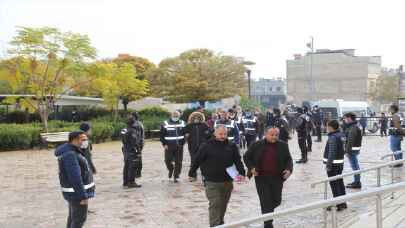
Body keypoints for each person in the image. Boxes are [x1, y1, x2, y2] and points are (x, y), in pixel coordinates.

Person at [189, 125, 246, 227]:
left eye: (225, 134)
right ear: (215, 133)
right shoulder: (206, 145)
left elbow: (237, 160)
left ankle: (220, 223)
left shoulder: (231, 145)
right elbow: (197, 160)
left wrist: (242, 173)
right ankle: (215, 225)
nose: (223, 136)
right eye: (220, 134)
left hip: (227, 181)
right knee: (215, 204)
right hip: (211, 181)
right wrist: (191, 173)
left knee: (223, 204)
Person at [243, 127, 293, 228]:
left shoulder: (283, 145)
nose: (274, 137)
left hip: (277, 177)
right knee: (265, 200)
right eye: (272, 135)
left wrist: (289, 169)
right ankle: (268, 223)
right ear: (265, 134)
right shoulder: (257, 144)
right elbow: (246, 157)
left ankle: (267, 214)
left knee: (277, 200)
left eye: (276, 135)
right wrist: (252, 168)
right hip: (261, 177)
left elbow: (288, 159)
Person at [55, 131, 95, 228]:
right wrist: (82, 196)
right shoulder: (71, 154)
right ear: (75, 140)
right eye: (83, 139)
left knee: (73, 218)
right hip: (77, 194)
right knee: (79, 219)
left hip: (74, 193)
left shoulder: (74, 151)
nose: (86, 141)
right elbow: (75, 177)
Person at [324, 120, 347, 211]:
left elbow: (332, 152)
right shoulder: (342, 135)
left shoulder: (333, 137)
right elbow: (343, 149)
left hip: (333, 165)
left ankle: (338, 204)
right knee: (340, 183)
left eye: (327, 126)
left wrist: (328, 165)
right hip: (340, 163)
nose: (326, 128)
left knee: (334, 184)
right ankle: (343, 202)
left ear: (330, 127)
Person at [160, 111, 186, 183]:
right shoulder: (165, 123)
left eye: (177, 115)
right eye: (174, 115)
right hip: (169, 146)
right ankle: (171, 169)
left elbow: (185, 133)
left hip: (179, 145)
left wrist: (183, 142)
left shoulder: (183, 123)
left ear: (179, 116)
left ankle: (176, 176)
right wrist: (164, 144)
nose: (175, 117)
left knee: (179, 161)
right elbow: (162, 135)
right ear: (171, 115)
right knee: (167, 160)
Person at [185, 111, 211, 181]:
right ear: (192, 118)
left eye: (198, 118)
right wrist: (186, 136)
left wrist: (207, 134)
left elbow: (209, 134)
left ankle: (205, 176)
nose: (196, 119)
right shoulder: (189, 126)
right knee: (193, 161)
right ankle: (193, 176)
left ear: (200, 118)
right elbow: (184, 133)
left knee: (204, 162)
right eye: (195, 118)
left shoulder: (204, 125)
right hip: (192, 146)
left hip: (202, 146)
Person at [121, 113, 144, 188]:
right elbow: (135, 142)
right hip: (132, 150)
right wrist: (138, 151)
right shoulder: (132, 131)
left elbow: (123, 140)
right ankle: (131, 182)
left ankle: (125, 182)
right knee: (132, 166)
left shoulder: (124, 130)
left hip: (125, 149)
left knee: (126, 166)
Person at [343, 112, 363, 189]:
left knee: (355, 166)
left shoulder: (353, 127)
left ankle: (357, 182)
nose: (344, 120)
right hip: (355, 148)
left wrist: (347, 151)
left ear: (349, 118)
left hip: (352, 150)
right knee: (355, 165)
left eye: (345, 118)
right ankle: (356, 181)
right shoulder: (357, 125)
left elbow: (350, 140)